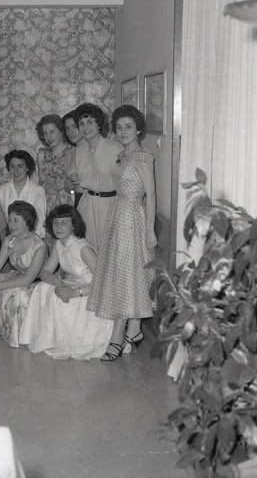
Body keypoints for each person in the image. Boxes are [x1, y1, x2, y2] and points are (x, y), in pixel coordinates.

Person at [87, 105, 157, 362]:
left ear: (139, 129)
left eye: (129, 126)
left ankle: (118, 337)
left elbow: (151, 193)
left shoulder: (143, 156)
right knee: (122, 274)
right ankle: (134, 328)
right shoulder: (123, 155)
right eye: (119, 127)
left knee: (127, 275)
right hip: (117, 215)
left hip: (132, 218)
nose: (123, 131)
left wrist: (149, 228)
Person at [19, 205, 113, 359]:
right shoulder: (59, 243)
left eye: (64, 223)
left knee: (58, 298)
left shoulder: (83, 248)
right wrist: (58, 282)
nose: (58, 227)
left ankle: (64, 341)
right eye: (55, 222)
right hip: (76, 284)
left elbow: (104, 283)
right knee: (42, 288)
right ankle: (37, 337)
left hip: (93, 293)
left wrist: (74, 293)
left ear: (74, 225)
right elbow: (45, 272)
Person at [0, 201, 47, 348]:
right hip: (19, 275)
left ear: (27, 222)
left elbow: (28, 280)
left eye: (15, 220)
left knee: (17, 291)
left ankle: (18, 334)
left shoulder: (40, 246)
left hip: (38, 282)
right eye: (9, 220)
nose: (11, 225)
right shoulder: (9, 240)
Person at [72, 103, 122, 249]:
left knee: (109, 249)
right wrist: (73, 187)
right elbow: (79, 186)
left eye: (90, 122)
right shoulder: (79, 151)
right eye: (81, 123)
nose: (85, 127)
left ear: (99, 124)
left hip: (109, 205)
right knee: (87, 249)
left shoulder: (116, 148)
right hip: (87, 205)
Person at [0, 150, 46, 238]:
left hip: (32, 238)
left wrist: (31, 241)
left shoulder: (37, 190)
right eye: (12, 166)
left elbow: (40, 221)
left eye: (20, 166)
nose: (16, 170)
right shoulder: (1, 190)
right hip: (9, 237)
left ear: (27, 168)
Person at [35, 114, 73, 214]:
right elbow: (41, 180)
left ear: (61, 131)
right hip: (49, 204)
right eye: (45, 133)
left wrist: (64, 183)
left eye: (52, 132)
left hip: (69, 201)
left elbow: (77, 181)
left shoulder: (72, 152)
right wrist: (45, 185)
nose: (49, 137)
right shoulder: (41, 154)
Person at [62, 110, 86, 208]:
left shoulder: (95, 150)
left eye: (74, 127)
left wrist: (84, 181)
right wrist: (69, 188)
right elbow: (72, 190)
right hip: (78, 201)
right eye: (67, 128)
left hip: (97, 201)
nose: (70, 132)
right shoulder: (69, 154)